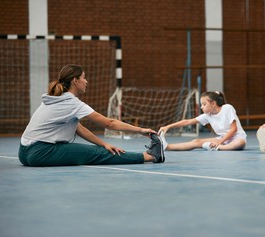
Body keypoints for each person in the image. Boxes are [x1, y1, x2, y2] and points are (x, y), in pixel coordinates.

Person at [19, 64, 164, 166]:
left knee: (100, 149)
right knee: (96, 153)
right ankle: (151, 157)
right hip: (41, 152)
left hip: (24, 153)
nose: (86, 81)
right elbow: (109, 123)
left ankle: (147, 156)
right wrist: (140, 130)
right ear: (75, 81)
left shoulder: (54, 98)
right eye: (84, 77)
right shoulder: (71, 103)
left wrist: (105, 144)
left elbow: (78, 128)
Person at [158, 91, 247, 151]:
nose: (201, 107)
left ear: (213, 103)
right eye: (201, 105)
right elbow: (187, 122)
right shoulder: (208, 116)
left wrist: (219, 143)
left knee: (240, 143)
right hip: (223, 140)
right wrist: (168, 126)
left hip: (236, 138)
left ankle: (218, 148)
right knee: (196, 141)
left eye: (204, 104)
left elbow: (234, 129)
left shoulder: (227, 108)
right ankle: (167, 147)